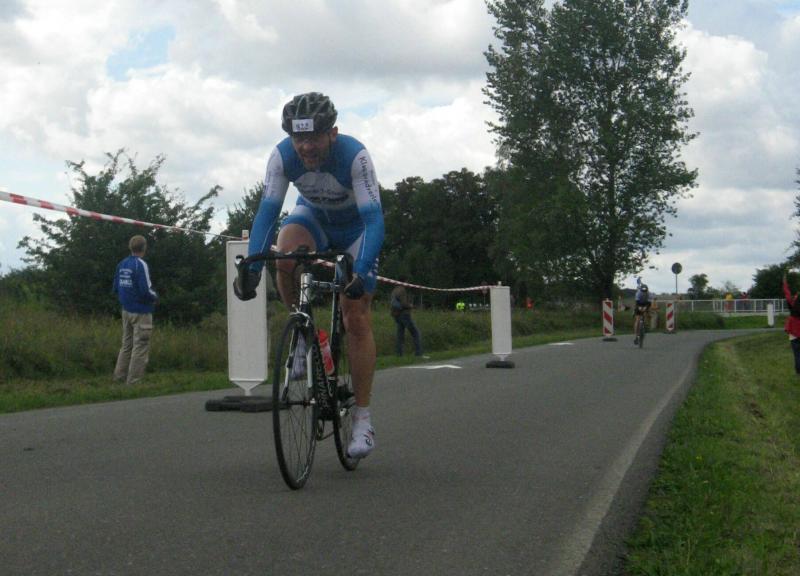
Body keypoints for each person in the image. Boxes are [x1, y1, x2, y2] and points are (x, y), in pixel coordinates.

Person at [234, 92, 384, 459]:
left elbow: (373, 219)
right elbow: (267, 213)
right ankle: (304, 332)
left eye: (313, 137)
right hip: (313, 218)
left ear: (332, 133)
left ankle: (363, 419)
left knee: (355, 316)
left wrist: (361, 269)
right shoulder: (281, 157)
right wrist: (252, 267)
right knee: (285, 256)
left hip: (356, 231)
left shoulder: (355, 157)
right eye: (298, 138)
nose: (305, 146)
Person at [113, 234, 158, 385]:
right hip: (141, 311)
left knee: (126, 345)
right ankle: (134, 382)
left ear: (130, 247)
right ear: (144, 248)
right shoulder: (140, 264)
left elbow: (116, 287)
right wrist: (155, 297)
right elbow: (145, 290)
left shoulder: (122, 264)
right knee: (141, 346)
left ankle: (119, 377)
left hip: (126, 310)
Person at [390, 282, 423, 357]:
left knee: (400, 335)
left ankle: (399, 354)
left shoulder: (394, 290)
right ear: (405, 282)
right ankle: (418, 353)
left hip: (396, 315)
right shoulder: (402, 290)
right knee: (416, 333)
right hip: (404, 314)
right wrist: (410, 305)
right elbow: (403, 304)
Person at [782, 273, 800, 375]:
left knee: (797, 354)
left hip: (793, 332)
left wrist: (784, 283)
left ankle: (798, 371)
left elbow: (787, 294)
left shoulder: (792, 305)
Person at [633, 279, 652, 346]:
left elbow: (649, 303)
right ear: (640, 290)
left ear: (647, 290)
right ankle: (636, 336)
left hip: (646, 304)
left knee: (648, 314)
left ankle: (646, 325)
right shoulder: (638, 293)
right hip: (639, 304)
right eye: (642, 291)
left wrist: (646, 308)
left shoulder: (649, 294)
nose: (644, 292)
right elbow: (637, 302)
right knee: (638, 319)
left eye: (645, 291)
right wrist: (639, 308)